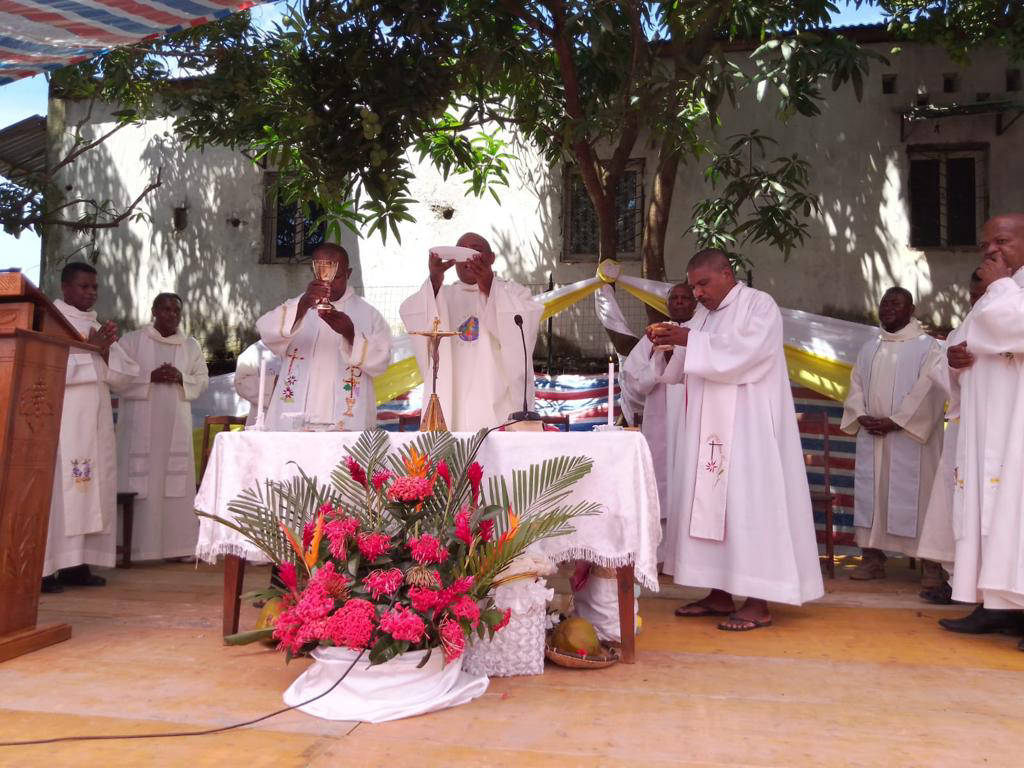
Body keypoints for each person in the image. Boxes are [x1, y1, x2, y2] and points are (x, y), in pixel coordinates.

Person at [650, 249, 824, 631]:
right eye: (693, 286)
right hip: (710, 433)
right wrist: (669, 347)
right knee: (713, 507)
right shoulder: (704, 316)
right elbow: (685, 365)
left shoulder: (759, 306)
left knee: (749, 506)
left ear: (727, 274)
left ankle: (758, 600)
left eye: (703, 284)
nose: (697, 293)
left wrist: (688, 340)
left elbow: (746, 354)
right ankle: (719, 592)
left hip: (748, 432)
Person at [940, 214, 1024, 641]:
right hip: (984, 425)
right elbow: (960, 341)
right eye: (985, 243)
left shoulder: (1005, 291)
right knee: (989, 513)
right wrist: (952, 361)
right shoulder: (996, 293)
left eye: (1002, 241)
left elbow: (1016, 326)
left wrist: (1001, 286)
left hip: (1017, 427)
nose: (991, 250)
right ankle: (996, 606)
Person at [43, 262, 140, 592]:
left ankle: (76, 565)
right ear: (66, 288)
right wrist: (92, 350)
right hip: (63, 423)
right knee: (59, 493)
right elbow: (46, 369)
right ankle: (46, 569)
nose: (91, 292)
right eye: (84, 286)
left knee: (92, 491)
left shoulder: (96, 325)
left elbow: (127, 377)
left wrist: (103, 351)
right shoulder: (49, 323)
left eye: (94, 287)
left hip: (95, 422)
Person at [840, 288, 946, 584]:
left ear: (911, 308)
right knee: (871, 496)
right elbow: (856, 385)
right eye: (884, 303)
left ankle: (931, 565)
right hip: (873, 434)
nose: (887, 308)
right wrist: (860, 414)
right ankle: (873, 559)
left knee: (921, 496)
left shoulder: (929, 348)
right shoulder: (870, 347)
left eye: (895, 303)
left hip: (912, 439)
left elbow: (930, 390)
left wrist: (898, 421)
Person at [399, 232, 543, 431]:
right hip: (451, 396)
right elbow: (412, 312)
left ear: (491, 258)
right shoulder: (442, 295)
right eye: (462, 252)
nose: (468, 259)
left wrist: (488, 285)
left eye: (475, 251)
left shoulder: (514, 293)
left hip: (496, 399)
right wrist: (434, 278)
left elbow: (523, 330)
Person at [113, 293, 210, 561]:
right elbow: (116, 378)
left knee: (174, 483)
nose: (171, 314)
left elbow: (202, 380)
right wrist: (149, 378)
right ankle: (132, 548)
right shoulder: (131, 341)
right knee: (138, 481)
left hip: (175, 426)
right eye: (165, 309)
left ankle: (177, 547)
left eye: (176, 310)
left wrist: (182, 378)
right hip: (138, 428)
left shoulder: (190, 346)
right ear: (154, 310)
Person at [257, 243, 392, 431]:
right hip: (295, 417)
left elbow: (382, 361)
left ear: (348, 273)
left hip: (345, 420)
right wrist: (302, 308)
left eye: (336, 276)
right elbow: (265, 330)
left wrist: (350, 334)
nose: (328, 282)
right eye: (321, 274)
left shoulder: (369, 315)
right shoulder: (298, 305)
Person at [916, 270, 987, 603]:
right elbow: (942, 374)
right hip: (962, 426)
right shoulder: (965, 326)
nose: (977, 301)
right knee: (953, 505)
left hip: (996, 428)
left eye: (982, 293)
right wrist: (955, 364)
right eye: (973, 296)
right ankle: (957, 579)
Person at [621, 282, 697, 562]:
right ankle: (661, 555)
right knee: (661, 482)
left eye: (684, 298)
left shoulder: (700, 334)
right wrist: (659, 358)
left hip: (692, 420)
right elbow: (635, 383)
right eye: (673, 298)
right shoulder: (650, 340)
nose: (678, 302)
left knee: (688, 481)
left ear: (694, 303)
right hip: (660, 422)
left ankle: (689, 557)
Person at [235, 339, 280, 426]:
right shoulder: (253, 352)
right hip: (264, 418)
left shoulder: (304, 347)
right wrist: (274, 382)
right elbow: (240, 382)